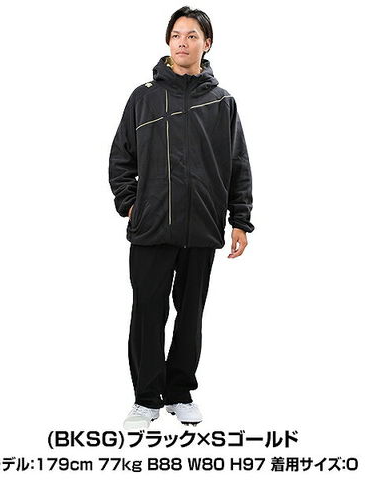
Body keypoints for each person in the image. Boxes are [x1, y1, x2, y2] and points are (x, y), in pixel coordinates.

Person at [108, 6, 254, 430]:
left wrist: (240, 219)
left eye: (192, 36)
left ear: (207, 43)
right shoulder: (145, 97)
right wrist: (132, 204)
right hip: (152, 228)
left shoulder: (222, 102)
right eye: (176, 35)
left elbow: (237, 164)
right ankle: (146, 398)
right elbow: (121, 158)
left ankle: (179, 393)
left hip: (201, 227)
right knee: (148, 314)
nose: (183, 42)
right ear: (168, 41)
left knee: (190, 316)